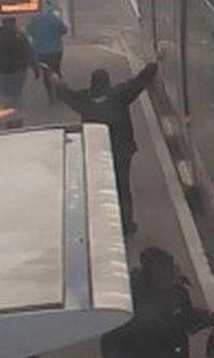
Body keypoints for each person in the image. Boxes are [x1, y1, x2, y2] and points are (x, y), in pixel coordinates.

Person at [49, 54, 162, 235]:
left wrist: (56, 80)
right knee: (122, 185)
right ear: (107, 84)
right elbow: (140, 81)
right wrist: (156, 62)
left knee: (102, 187)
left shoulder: (83, 100)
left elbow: (65, 93)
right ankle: (126, 223)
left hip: (97, 150)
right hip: (121, 149)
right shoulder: (119, 96)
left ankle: (104, 220)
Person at [0, 18, 36, 107]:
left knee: (5, 91)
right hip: (19, 68)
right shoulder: (19, 35)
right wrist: (34, 67)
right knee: (16, 91)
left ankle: (9, 107)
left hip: (2, 69)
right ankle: (16, 107)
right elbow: (28, 51)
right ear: (13, 24)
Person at [27, 0, 68, 104]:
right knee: (56, 69)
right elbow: (64, 30)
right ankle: (59, 92)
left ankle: (50, 94)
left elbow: (30, 32)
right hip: (56, 51)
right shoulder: (55, 18)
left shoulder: (34, 19)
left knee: (46, 72)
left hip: (41, 52)